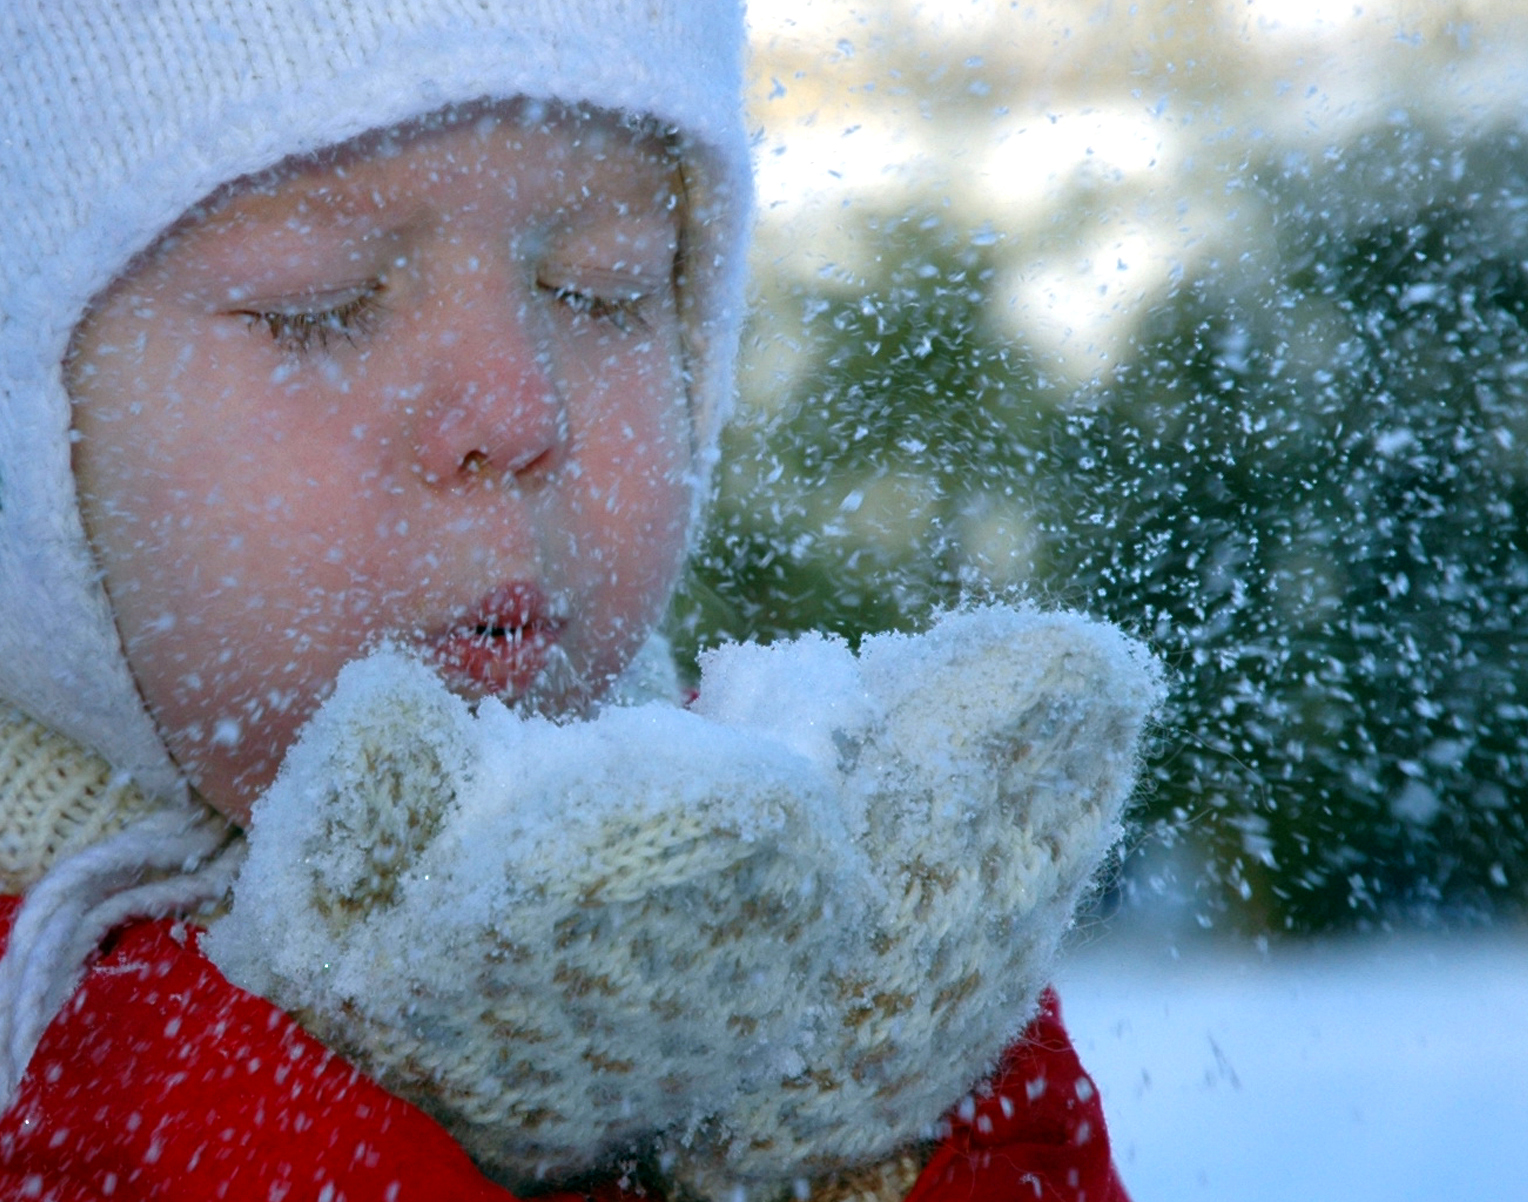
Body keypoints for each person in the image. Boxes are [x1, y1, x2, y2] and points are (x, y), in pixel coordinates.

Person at [0, 3, 1156, 1199]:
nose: (517, 409)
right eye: (323, 303)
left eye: (602, 289)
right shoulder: (50, 1054)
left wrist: (880, 1127)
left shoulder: (782, 909)